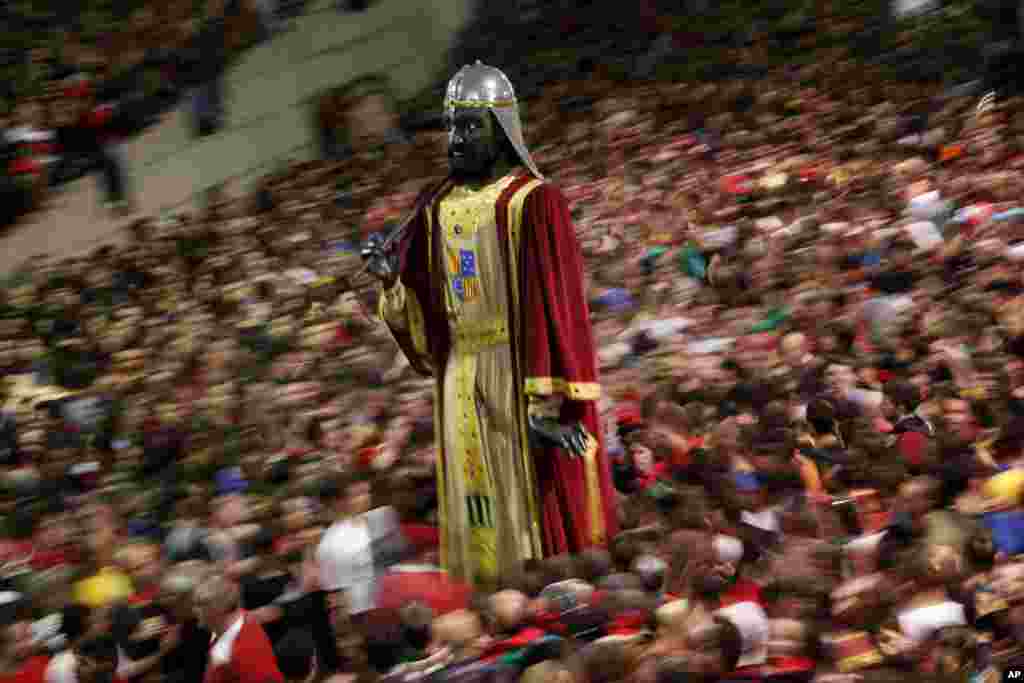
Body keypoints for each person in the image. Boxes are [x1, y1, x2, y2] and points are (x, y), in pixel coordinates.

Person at [362, 60, 618, 587]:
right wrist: (392, 281)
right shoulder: (433, 205)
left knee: (530, 503)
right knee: (479, 502)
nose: (454, 138)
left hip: (516, 367)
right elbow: (423, 315)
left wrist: (544, 403)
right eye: (451, 125)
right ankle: (496, 592)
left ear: (501, 129)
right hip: (459, 375)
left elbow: (557, 305)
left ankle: (546, 592)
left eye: (469, 125)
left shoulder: (534, 201)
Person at [195, 572, 284, 683]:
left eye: (200, 605)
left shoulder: (239, 653)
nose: (195, 610)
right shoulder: (237, 621)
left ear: (217, 610)